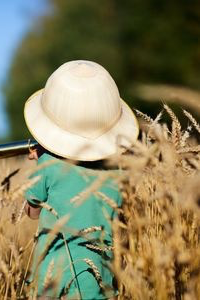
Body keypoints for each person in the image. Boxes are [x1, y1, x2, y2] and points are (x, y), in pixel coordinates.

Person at [23, 60, 139, 299]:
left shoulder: (47, 165)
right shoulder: (119, 171)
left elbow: (32, 212)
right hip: (101, 284)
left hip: (51, 283)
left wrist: (40, 163)